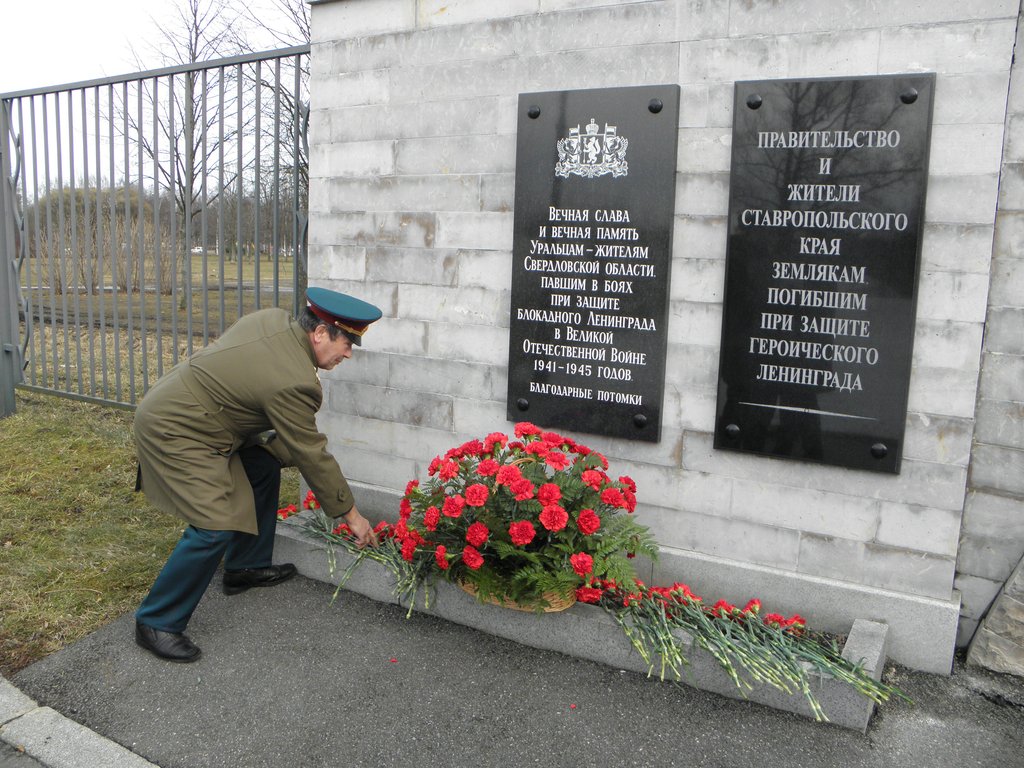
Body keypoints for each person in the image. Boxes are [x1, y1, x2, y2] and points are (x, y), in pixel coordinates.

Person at [132, 287, 381, 663]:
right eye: (346, 342)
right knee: (214, 524)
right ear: (319, 333)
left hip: (199, 414)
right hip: (178, 428)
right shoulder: (294, 381)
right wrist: (353, 517)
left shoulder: (275, 321)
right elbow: (311, 452)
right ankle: (156, 621)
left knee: (264, 462)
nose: (348, 353)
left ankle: (245, 566)